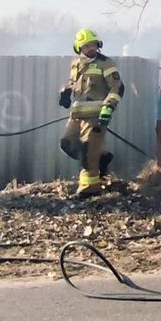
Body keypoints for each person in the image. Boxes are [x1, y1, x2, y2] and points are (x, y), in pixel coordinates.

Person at [58, 28, 123, 198]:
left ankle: (89, 189)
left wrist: (108, 107)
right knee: (67, 143)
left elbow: (117, 87)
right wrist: (65, 93)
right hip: (77, 115)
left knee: (88, 152)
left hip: (96, 117)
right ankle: (102, 158)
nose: (91, 48)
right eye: (86, 46)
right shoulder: (75, 64)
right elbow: (74, 84)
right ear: (79, 48)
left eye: (93, 45)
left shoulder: (105, 63)